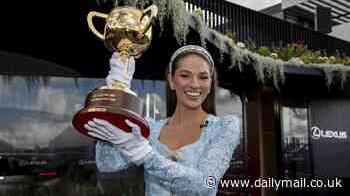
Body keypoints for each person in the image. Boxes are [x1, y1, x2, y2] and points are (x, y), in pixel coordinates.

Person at [85, 45, 240, 196]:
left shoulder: (225, 127)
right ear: (172, 81)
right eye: (185, 75)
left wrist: (143, 154)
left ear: (210, 83)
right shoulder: (151, 128)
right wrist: (117, 92)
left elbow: (205, 184)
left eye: (203, 77)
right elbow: (108, 164)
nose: (194, 84)